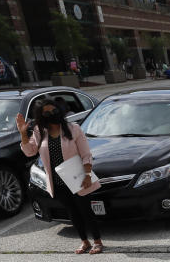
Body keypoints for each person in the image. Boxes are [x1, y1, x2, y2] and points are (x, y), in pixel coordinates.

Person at [16, 99, 104, 254]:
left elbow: (86, 155)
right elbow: (30, 151)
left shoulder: (73, 129)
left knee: (85, 210)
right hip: (58, 182)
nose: (52, 114)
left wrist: (88, 175)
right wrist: (23, 133)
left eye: (54, 111)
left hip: (77, 179)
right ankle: (84, 242)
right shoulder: (39, 131)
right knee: (72, 212)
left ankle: (97, 241)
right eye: (47, 113)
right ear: (41, 116)